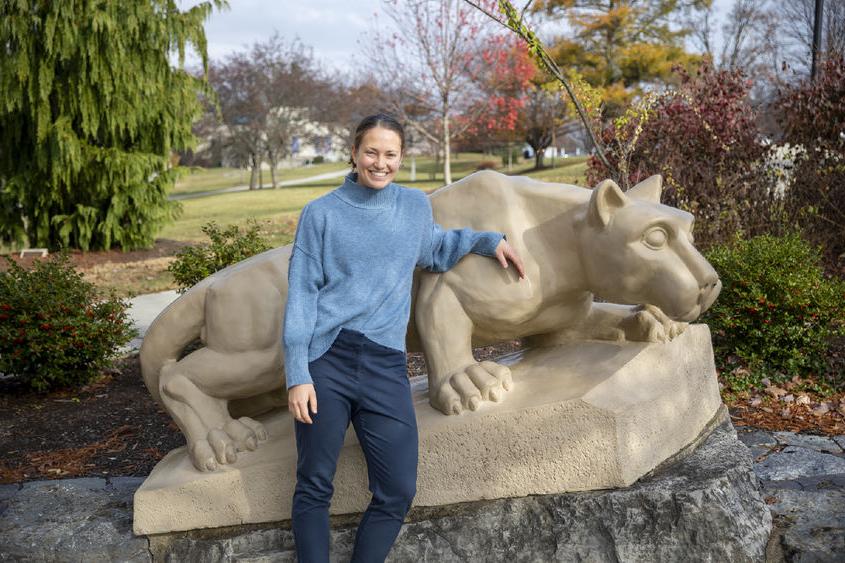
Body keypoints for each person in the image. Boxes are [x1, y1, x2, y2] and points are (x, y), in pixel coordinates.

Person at [283, 113, 526, 562]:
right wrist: (298, 373)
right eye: (371, 152)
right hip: (326, 362)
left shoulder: (414, 206)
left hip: (383, 365)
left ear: (401, 158)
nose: (380, 162)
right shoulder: (321, 214)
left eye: (390, 154)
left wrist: (488, 240)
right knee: (315, 484)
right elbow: (301, 294)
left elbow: (435, 249)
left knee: (397, 489)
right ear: (354, 154)